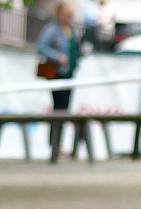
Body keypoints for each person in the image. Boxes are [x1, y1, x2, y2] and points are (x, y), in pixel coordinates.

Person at [36, 2, 81, 150]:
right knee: (59, 109)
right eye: (68, 14)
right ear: (60, 14)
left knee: (64, 109)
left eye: (71, 15)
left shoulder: (72, 30)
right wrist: (58, 57)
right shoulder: (52, 30)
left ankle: (57, 143)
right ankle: (54, 144)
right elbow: (41, 47)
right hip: (56, 74)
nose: (70, 17)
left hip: (69, 74)